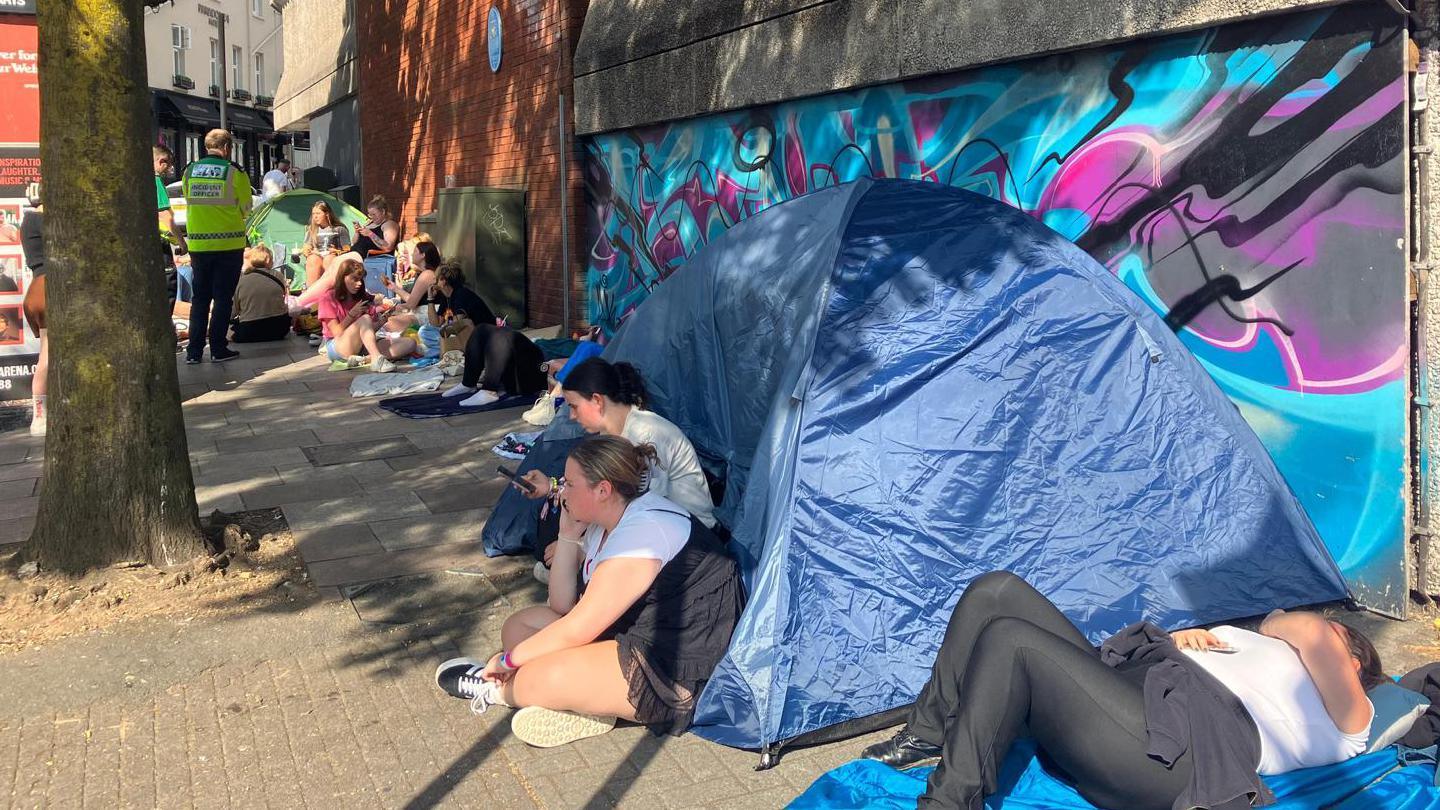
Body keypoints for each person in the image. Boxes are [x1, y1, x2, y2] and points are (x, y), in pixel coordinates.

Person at [860, 571, 1382, 810]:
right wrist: (1182, 643)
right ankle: (928, 734)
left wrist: (1308, 631)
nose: (1319, 629)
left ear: (1353, 661)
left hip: (1177, 754)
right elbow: (1277, 623)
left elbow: (1302, 627)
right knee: (995, 593)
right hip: (1132, 697)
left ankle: (949, 803)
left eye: (1342, 639)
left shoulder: (1347, 716)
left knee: (1011, 641)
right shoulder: (1268, 646)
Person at [433, 435, 745, 748]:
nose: (561, 491)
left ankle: (497, 691)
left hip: (672, 665)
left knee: (537, 674)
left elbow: (579, 627)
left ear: (603, 490)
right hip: (632, 635)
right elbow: (562, 603)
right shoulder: (605, 517)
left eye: (569, 484)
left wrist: (507, 663)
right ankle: (585, 704)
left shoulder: (643, 533)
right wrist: (568, 534)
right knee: (519, 626)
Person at [181, 129, 252, 364]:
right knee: (223, 298)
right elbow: (246, 208)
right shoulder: (235, 172)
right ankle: (218, 349)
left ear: (206, 147)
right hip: (228, 244)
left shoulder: (189, 171)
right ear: (227, 148)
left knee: (200, 298)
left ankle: (193, 352)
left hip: (199, 246)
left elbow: (188, 198)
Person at [315, 257, 414, 372]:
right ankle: (377, 360)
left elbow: (366, 331)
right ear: (343, 277)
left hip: (361, 345)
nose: (358, 284)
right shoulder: (327, 298)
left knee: (409, 343)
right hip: (337, 346)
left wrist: (381, 322)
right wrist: (351, 315)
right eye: (354, 279)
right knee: (365, 318)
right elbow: (336, 332)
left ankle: (364, 360)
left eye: (361, 280)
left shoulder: (360, 296)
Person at [20, 183, 45, 436]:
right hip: (49, 289)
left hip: (36, 288)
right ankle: (39, 416)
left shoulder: (27, 222)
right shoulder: (43, 221)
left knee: (46, 354)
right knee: (48, 354)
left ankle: (40, 411)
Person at [231, 246, 293, 343]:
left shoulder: (241, 279)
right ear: (268, 260)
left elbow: (233, 310)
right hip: (279, 329)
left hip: (249, 331)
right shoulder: (278, 275)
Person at [154, 145, 188, 313]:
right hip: (162, 242)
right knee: (169, 284)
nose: (169, 170)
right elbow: (166, 216)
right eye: (168, 165)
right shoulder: (156, 180)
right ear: (162, 161)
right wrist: (182, 243)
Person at [300, 200, 350, 288]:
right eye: (313, 214)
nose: (315, 216)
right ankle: (313, 294)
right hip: (318, 256)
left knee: (329, 259)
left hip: (333, 257)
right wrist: (308, 251)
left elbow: (347, 249)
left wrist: (338, 251)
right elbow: (306, 248)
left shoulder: (339, 229)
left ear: (327, 214)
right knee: (312, 259)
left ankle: (332, 291)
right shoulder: (312, 230)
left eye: (318, 213)